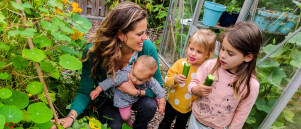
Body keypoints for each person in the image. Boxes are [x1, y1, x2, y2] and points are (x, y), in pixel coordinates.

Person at [51, 1, 164, 129]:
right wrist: (70, 117)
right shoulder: (94, 52)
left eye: (145, 32)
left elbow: (158, 87)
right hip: (110, 100)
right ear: (121, 34)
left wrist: (136, 92)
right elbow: (84, 91)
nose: (145, 37)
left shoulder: (147, 48)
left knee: (149, 106)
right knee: (114, 125)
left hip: (138, 97)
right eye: (139, 34)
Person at [187, 22, 262, 129]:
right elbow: (192, 84)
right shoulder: (210, 65)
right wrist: (196, 90)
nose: (222, 55)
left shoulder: (251, 85)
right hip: (195, 119)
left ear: (248, 57)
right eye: (222, 48)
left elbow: (241, 115)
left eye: (230, 53)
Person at [158, 29, 216, 129]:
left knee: (180, 126)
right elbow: (167, 81)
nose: (193, 54)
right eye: (191, 48)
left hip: (188, 107)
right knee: (166, 122)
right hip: (172, 102)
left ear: (207, 54)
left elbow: (204, 90)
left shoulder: (204, 71)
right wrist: (175, 79)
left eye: (199, 51)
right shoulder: (180, 64)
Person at [90, 55, 166, 127]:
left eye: (139, 79)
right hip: (124, 99)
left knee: (156, 98)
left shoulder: (150, 80)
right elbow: (110, 81)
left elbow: (158, 89)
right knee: (125, 116)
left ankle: (140, 124)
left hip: (139, 97)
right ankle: (129, 124)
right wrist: (98, 89)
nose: (134, 79)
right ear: (133, 65)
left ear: (148, 78)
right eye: (133, 75)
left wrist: (162, 102)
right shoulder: (124, 75)